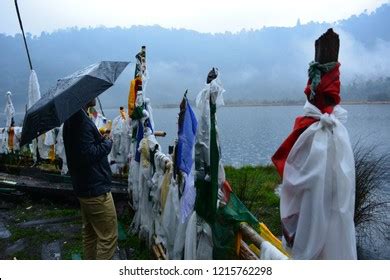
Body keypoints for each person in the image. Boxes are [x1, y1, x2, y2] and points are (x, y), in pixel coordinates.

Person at [63, 98, 118, 260]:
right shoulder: (81, 121)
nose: (96, 95)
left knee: (91, 234)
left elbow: (82, 150)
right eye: (93, 92)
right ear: (84, 95)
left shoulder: (73, 118)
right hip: (95, 190)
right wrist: (107, 144)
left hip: (84, 187)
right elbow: (87, 155)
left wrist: (98, 139)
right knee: (108, 237)